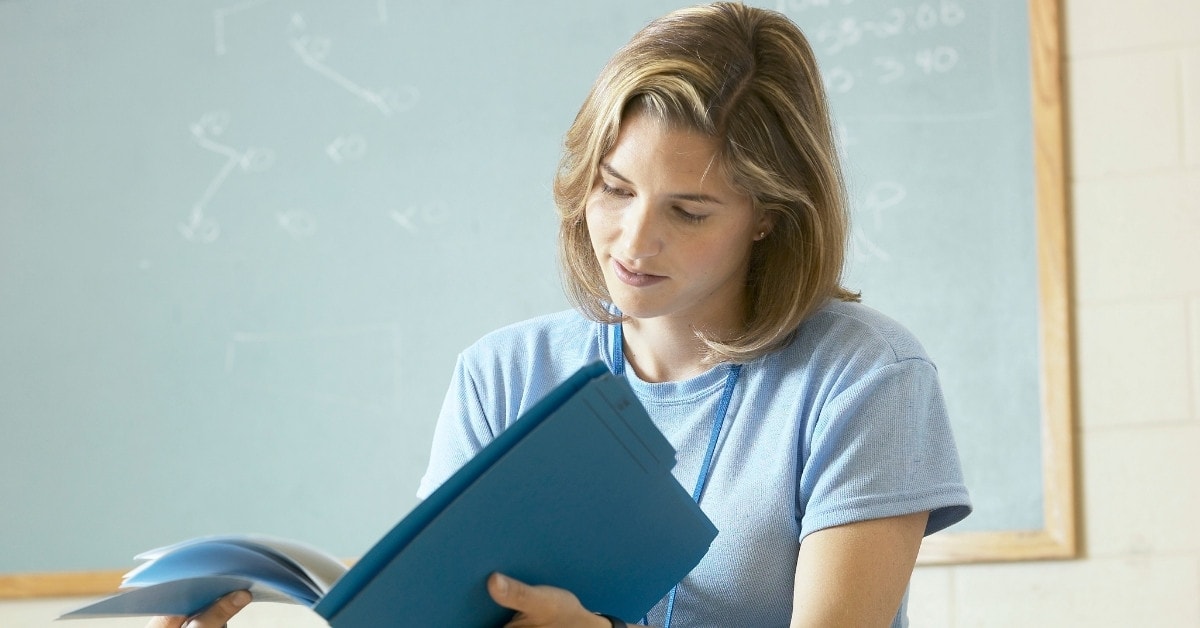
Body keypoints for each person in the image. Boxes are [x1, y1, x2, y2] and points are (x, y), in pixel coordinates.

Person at [151, 3, 970, 627]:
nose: (632, 240)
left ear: (770, 216)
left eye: (688, 211)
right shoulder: (503, 373)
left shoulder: (866, 378)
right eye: (614, 189)